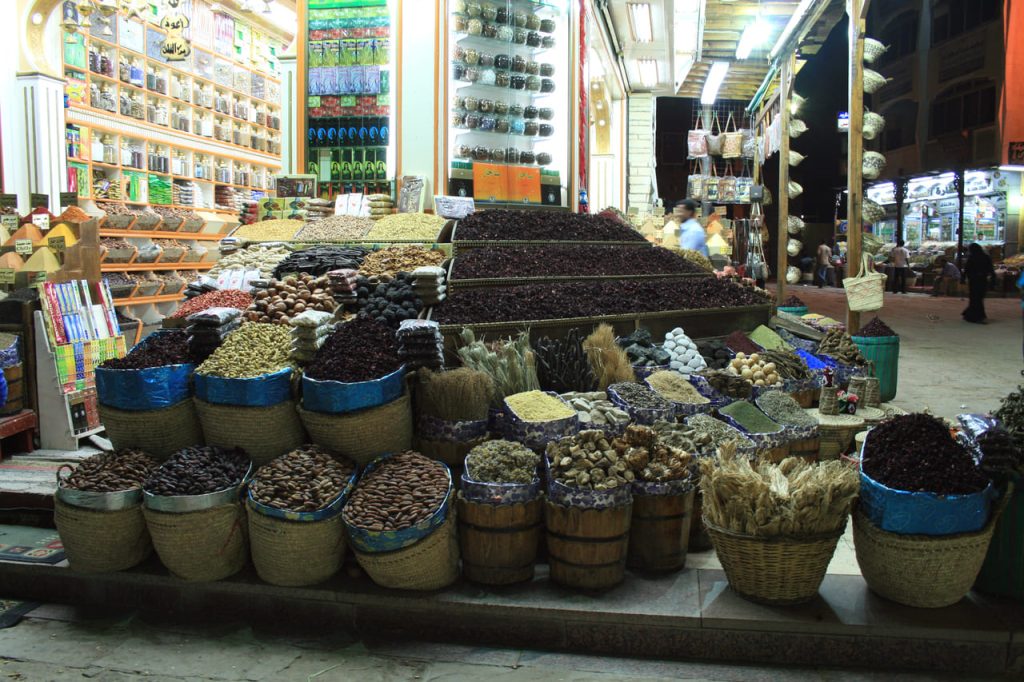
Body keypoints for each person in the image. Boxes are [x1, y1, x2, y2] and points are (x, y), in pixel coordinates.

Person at [961, 243, 996, 324]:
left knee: (974, 298)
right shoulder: (986, 257)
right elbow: (991, 269)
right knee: (979, 298)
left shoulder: (972, 257)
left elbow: (967, 269)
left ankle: (974, 316)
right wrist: (993, 280)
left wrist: (963, 278)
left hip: (974, 281)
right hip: (982, 280)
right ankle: (975, 315)